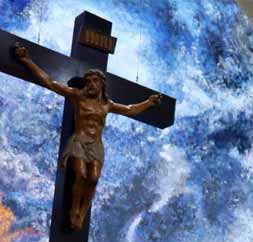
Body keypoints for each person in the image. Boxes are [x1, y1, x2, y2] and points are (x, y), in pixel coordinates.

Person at [13, 45, 162, 231]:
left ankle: (82, 214)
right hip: (80, 141)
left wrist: (148, 102)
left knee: (93, 178)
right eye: (88, 81)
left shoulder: (108, 105)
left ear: (101, 85)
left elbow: (130, 109)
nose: (90, 84)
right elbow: (50, 82)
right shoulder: (78, 97)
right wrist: (26, 60)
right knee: (81, 175)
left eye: (94, 81)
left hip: (97, 145)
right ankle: (73, 209)